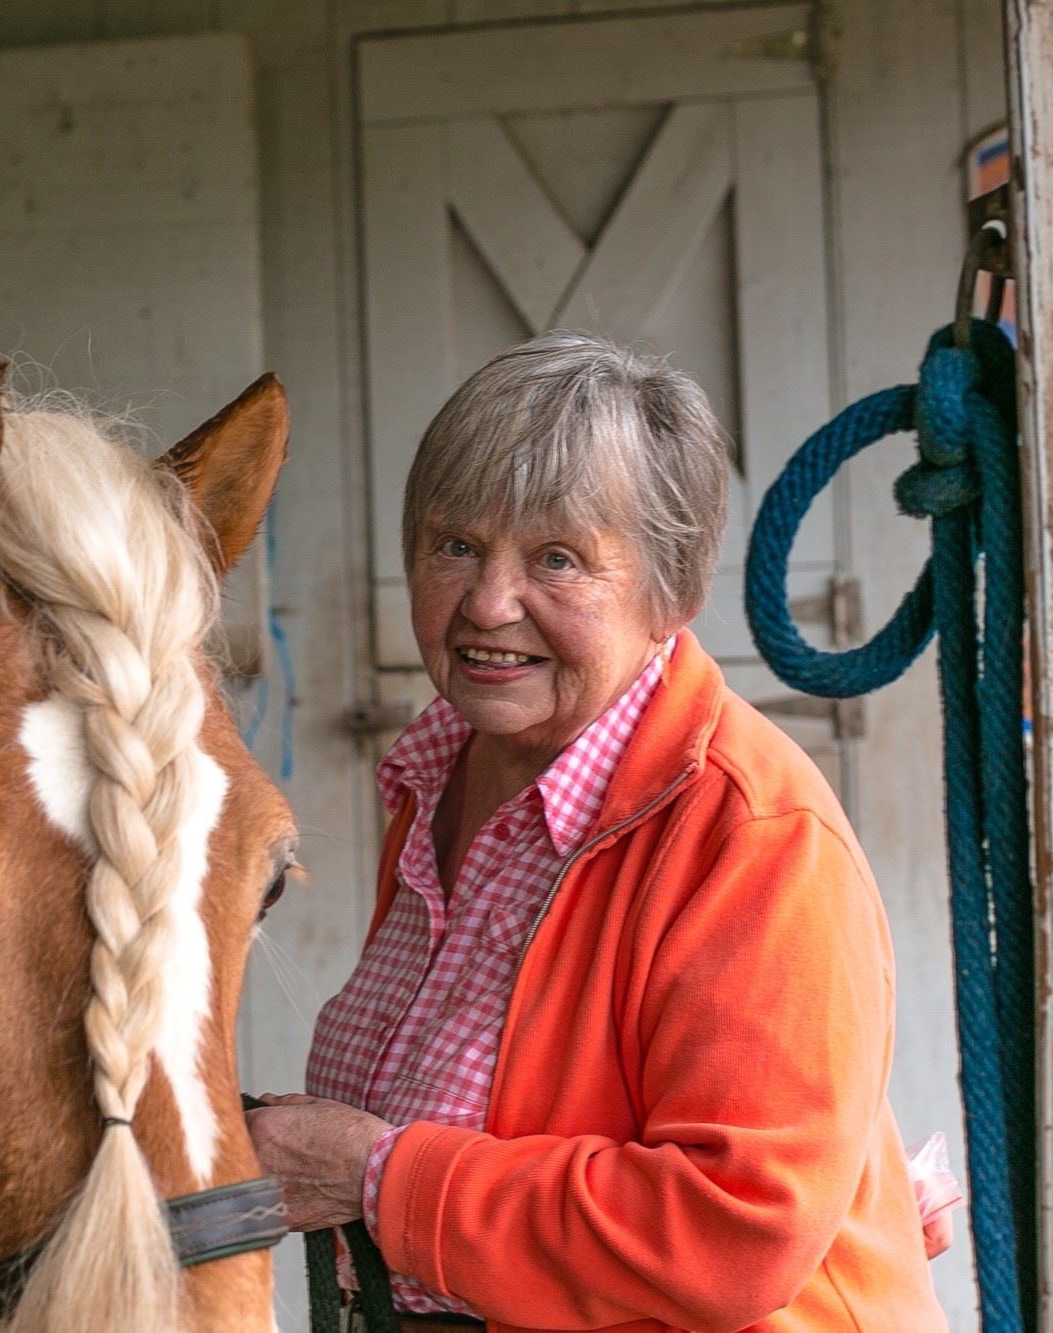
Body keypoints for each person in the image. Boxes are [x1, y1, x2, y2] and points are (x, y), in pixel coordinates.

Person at [248, 332, 951, 1332]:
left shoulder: (752, 838)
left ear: (670, 592)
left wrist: (377, 1177)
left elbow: (730, 1230)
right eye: (453, 543)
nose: (487, 603)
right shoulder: (437, 772)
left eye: (556, 558)